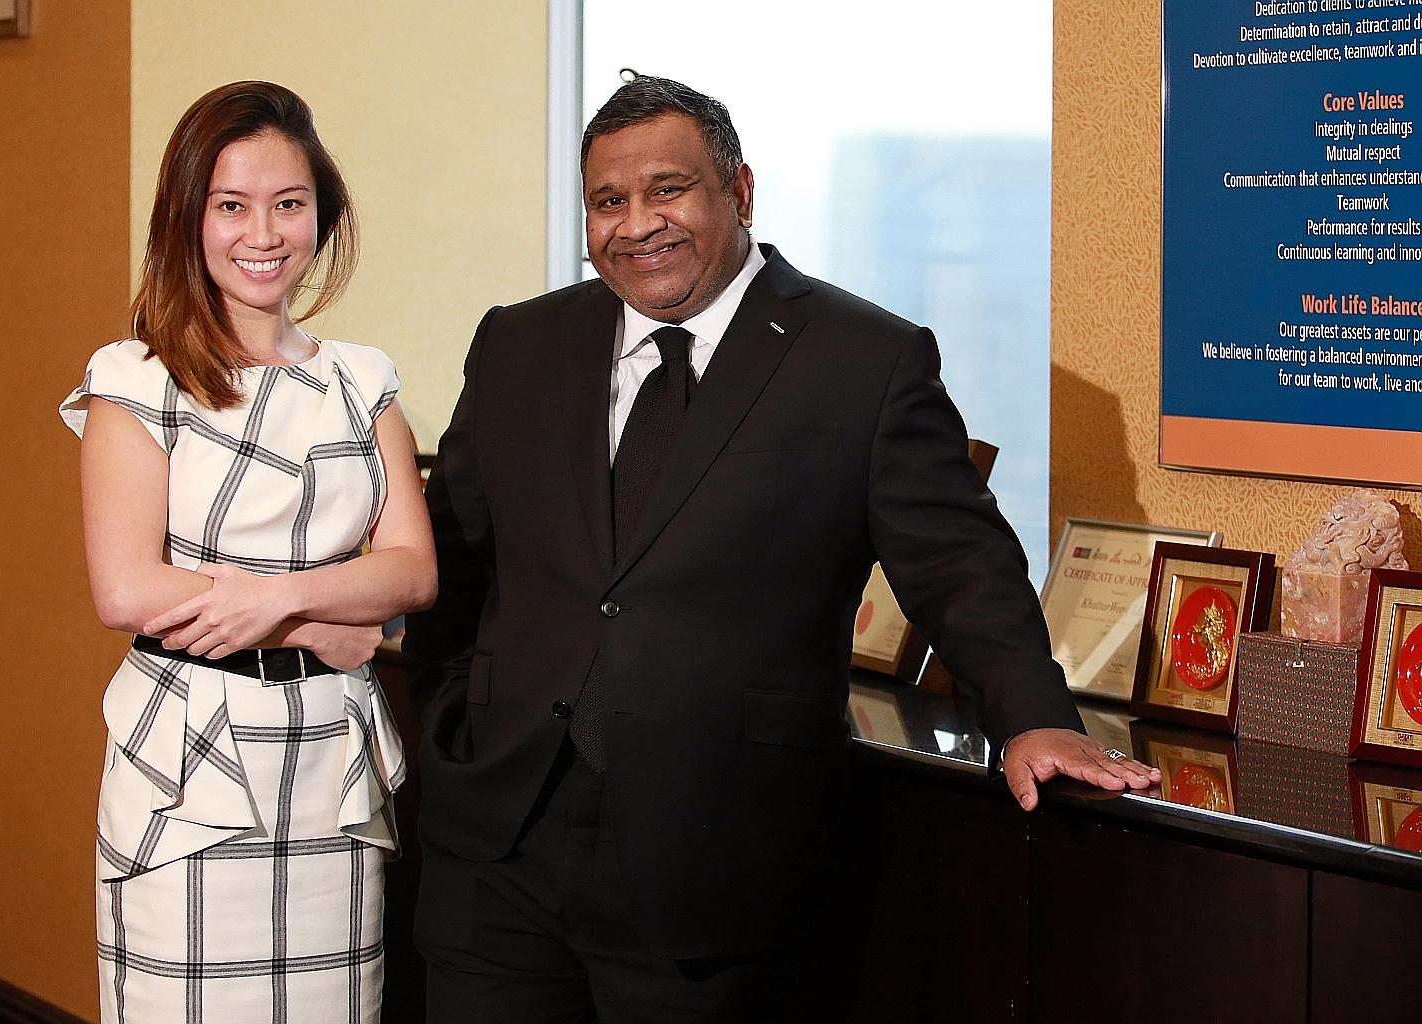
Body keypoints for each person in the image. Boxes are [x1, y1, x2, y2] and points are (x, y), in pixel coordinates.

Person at [404, 76, 1160, 1022]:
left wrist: (1034, 716)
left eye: (667, 190)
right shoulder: (520, 342)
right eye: (609, 201)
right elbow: (456, 559)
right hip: (499, 848)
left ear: (741, 193)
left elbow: (959, 563)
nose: (638, 224)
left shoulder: (864, 360)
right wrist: (446, 726)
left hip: (716, 858)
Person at [60, 81, 435, 1023]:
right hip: (189, 770)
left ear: (322, 215)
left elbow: (413, 571)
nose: (261, 233)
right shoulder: (135, 378)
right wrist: (327, 615)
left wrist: (277, 604)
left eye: (288, 204)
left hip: (329, 770)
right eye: (230, 205)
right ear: (190, 218)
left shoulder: (362, 381)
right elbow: (127, 588)